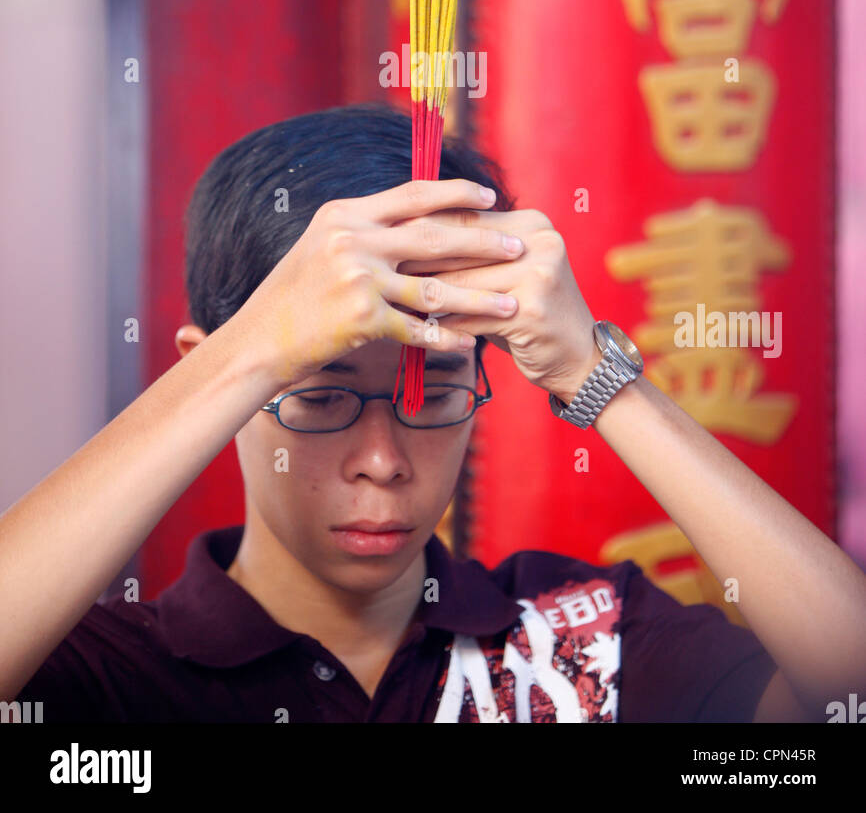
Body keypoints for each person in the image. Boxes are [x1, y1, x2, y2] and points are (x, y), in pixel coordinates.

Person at [3, 103, 865, 723]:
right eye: (320, 393)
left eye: (435, 391)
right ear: (218, 375)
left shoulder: (584, 644)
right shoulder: (112, 674)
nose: (383, 460)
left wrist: (592, 370)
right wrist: (257, 348)